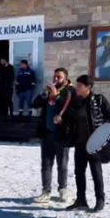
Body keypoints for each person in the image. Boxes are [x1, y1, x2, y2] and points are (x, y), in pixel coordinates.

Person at [57, 75, 110, 212]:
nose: (77, 88)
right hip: (79, 143)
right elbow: (67, 118)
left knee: (96, 172)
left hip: (94, 144)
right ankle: (81, 200)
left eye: (79, 86)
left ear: (88, 87)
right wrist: (60, 119)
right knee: (79, 172)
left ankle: (100, 200)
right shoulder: (75, 102)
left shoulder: (99, 100)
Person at [32, 69, 76, 204]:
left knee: (62, 164)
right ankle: (46, 191)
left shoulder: (70, 91)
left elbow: (70, 110)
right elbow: (34, 104)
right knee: (46, 164)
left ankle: (63, 190)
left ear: (66, 78)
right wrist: (44, 93)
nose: (56, 79)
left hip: (61, 134)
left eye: (59, 77)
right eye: (55, 76)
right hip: (47, 133)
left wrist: (56, 96)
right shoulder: (49, 90)